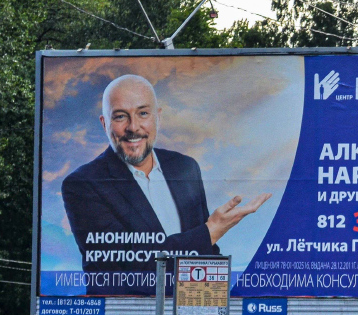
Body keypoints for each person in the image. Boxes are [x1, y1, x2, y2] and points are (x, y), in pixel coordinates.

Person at [60, 74, 271, 293]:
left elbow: (207, 254)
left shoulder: (185, 167)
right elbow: (127, 265)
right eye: (121, 116)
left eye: (143, 113)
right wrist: (210, 231)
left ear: (157, 117)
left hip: (189, 314)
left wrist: (218, 306)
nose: (133, 127)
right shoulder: (83, 185)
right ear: (105, 123)